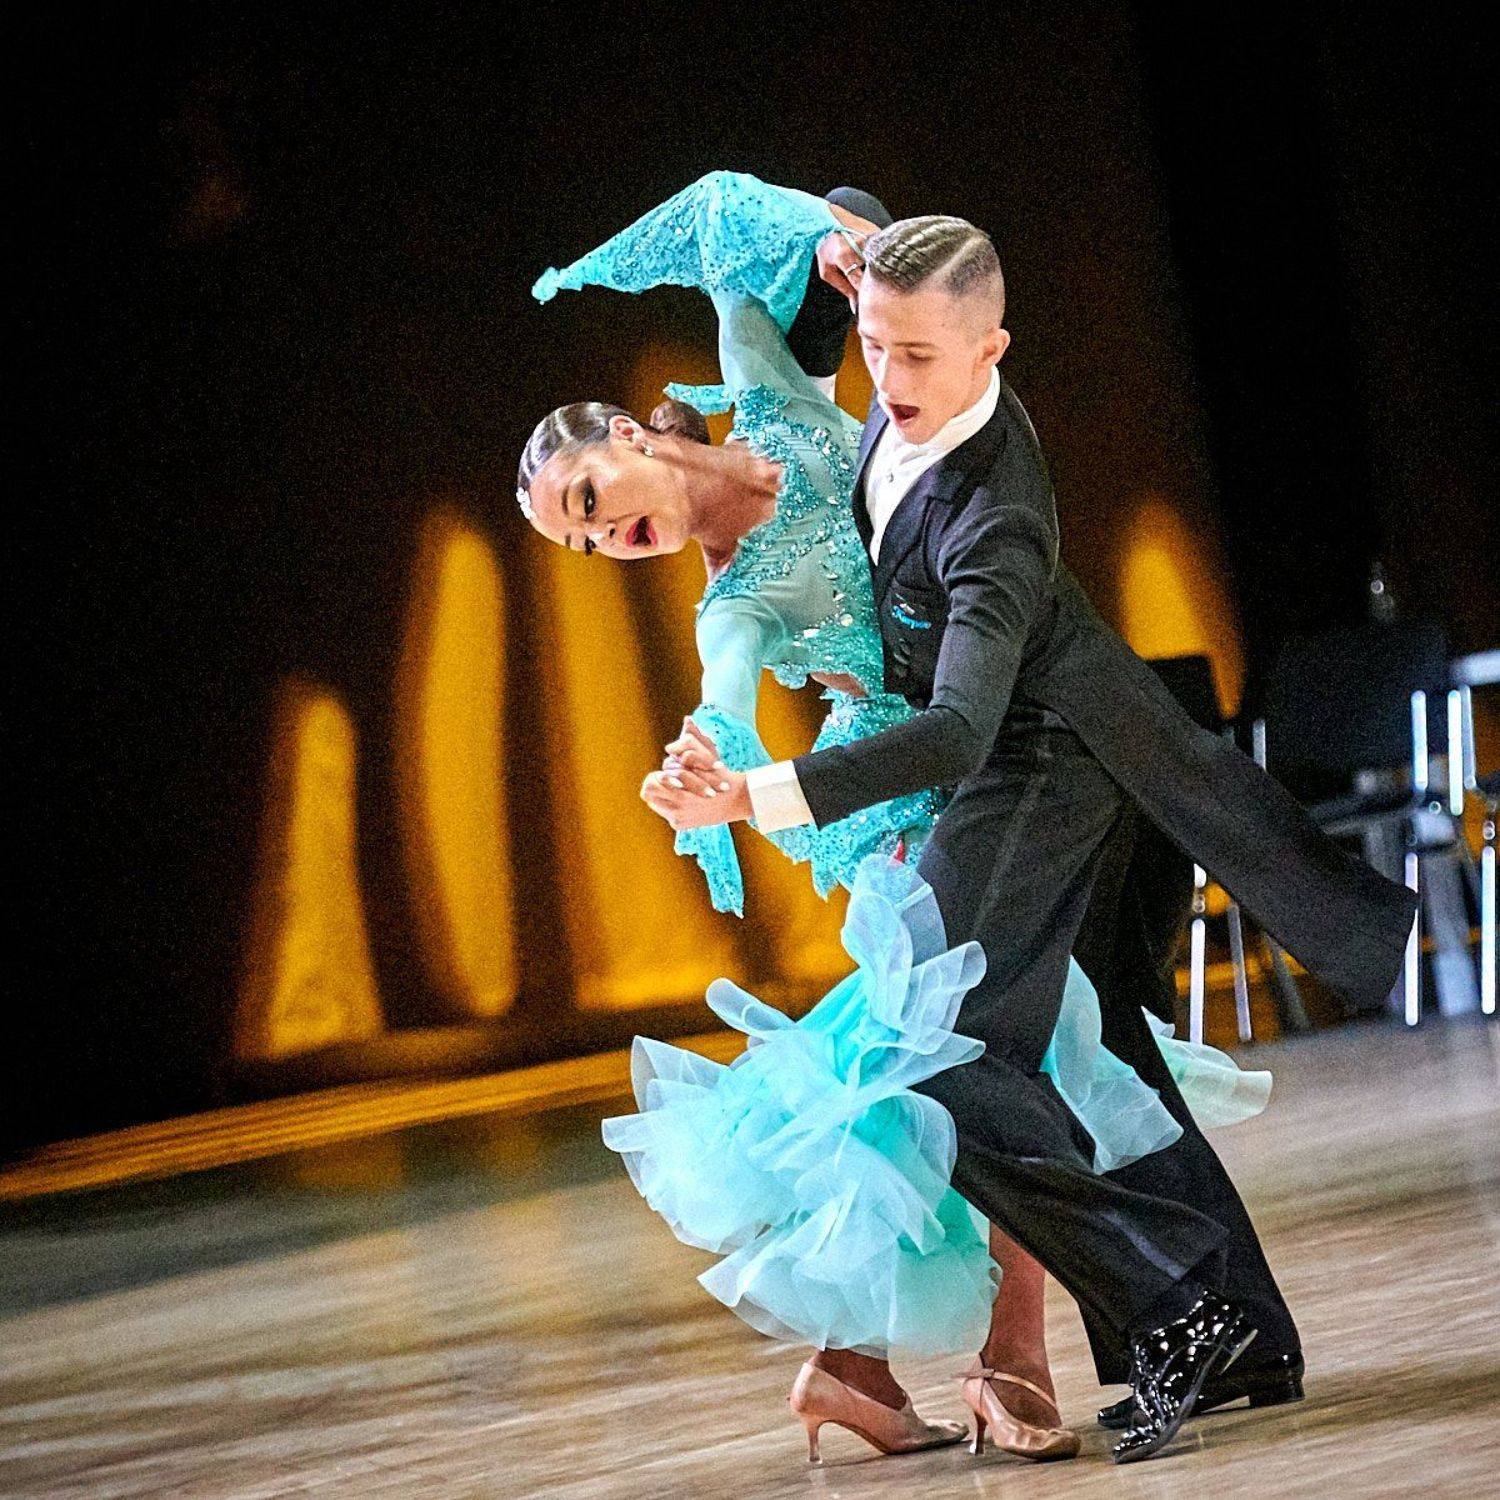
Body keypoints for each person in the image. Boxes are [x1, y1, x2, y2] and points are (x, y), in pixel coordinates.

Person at [638, 195, 1420, 1462]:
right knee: (1090, 1047)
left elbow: (959, 732)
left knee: (930, 1045)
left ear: (991, 350)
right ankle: (1242, 1334)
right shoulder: (904, 376)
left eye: (917, 355)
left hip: (1042, 762)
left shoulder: (996, 508)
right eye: (874, 345)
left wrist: (758, 792)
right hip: (1065, 753)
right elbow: (806, 229)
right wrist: (835, 233)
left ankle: (1180, 1310)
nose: (888, 378)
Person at [520, 172, 1272, 1464]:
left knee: (956, 1080)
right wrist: (713, 757)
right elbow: (723, 702)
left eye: (589, 502)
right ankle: (1006, 1359)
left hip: (985, 750)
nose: (607, 540)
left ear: (633, 438)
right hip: (911, 803)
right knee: (1007, 1061)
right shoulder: (729, 607)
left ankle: (861, 1367)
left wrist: (830, 237)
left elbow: (722, 220)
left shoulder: (768, 384)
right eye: (581, 546)